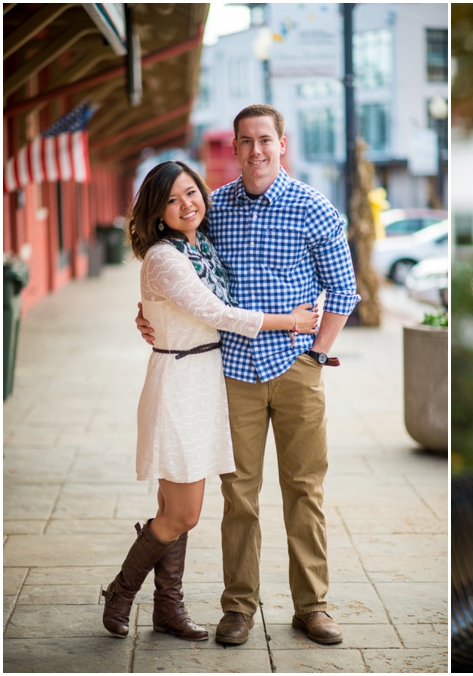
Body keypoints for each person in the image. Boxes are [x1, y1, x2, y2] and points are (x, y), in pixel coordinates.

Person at [137, 104, 359, 645]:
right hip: (231, 372)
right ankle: (238, 606)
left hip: (296, 371)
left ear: (282, 143)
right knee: (239, 496)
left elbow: (345, 292)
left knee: (304, 489)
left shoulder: (314, 208)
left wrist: (317, 354)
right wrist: (149, 314)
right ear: (234, 148)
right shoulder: (214, 208)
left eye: (265, 140)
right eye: (245, 141)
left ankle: (313, 606)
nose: (255, 150)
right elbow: (181, 266)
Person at [103, 161, 318, 640]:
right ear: (157, 214)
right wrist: (290, 321)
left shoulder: (201, 246)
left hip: (205, 381)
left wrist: (148, 315)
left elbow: (194, 306)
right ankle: (120, 593)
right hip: (180, 383)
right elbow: (215, 312)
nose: (187, 205)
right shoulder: (165, 256)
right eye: (173, 200)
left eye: (191, 193)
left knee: (171, 506)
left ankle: (168, 609)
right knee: (183, 513)